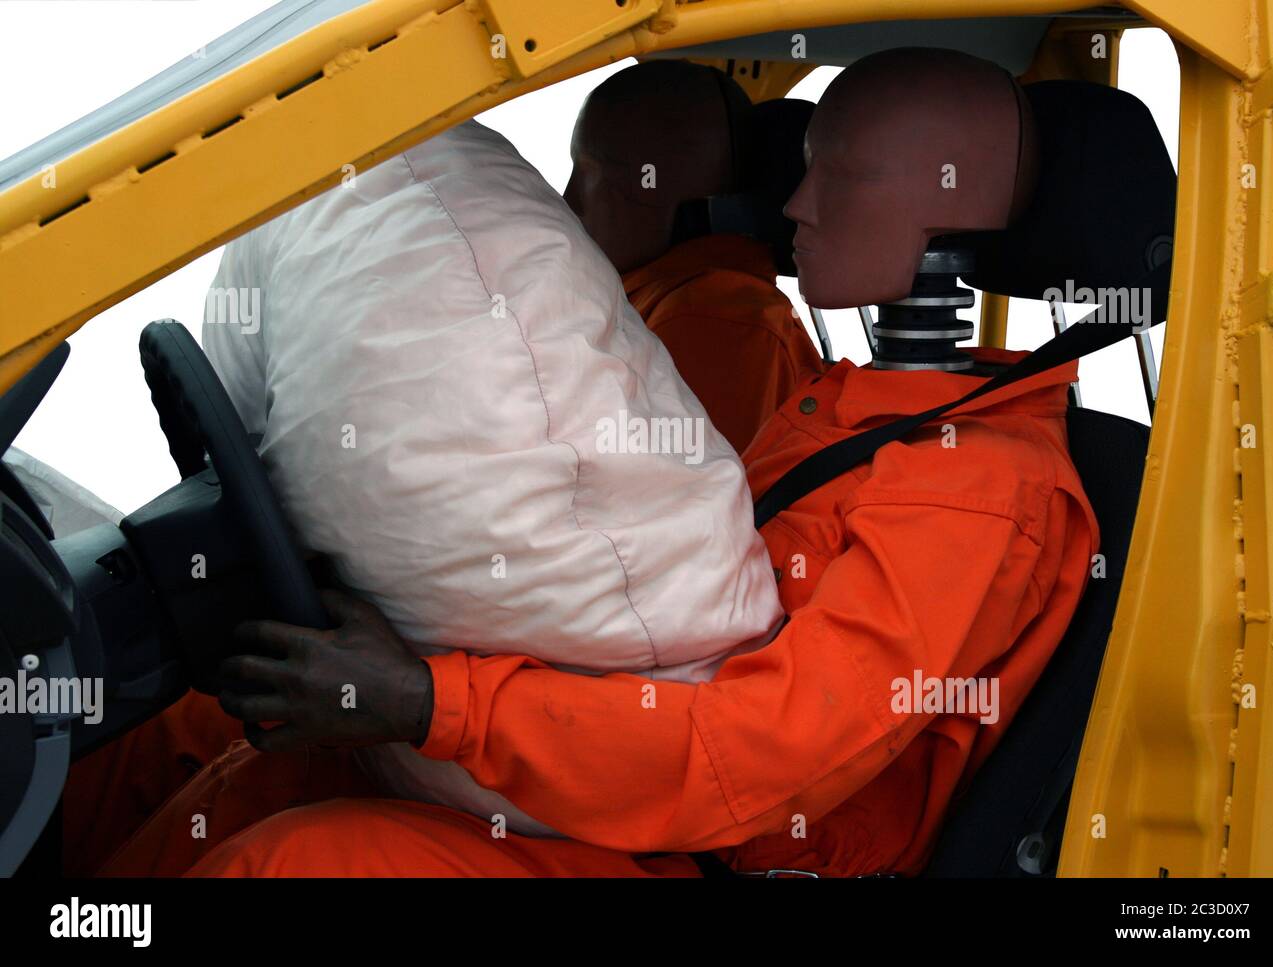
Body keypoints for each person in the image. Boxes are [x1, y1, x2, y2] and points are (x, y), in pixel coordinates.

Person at [92, 48, 1098, 878]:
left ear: (945, 213)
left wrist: (430, 701)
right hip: (644, 792)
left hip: (729, 851)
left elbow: (763, 758)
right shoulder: (858, 408)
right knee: (234, 768)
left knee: (299, 866)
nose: (789, 202)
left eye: (835, 176)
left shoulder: (976, 486)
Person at [565, 61, 824, 455]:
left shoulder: (710, 320)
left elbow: (677, 501)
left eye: (586, 173)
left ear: (651, 190)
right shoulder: (668, 299)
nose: (568, 200)